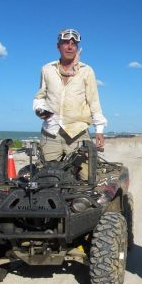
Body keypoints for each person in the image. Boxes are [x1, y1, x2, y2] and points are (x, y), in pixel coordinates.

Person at [33, 28, 107, 179]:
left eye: (73, 43)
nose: (70, 46)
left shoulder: (87, 71)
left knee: (87, 178)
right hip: (50, 133)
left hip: (77, 133)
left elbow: (94, 101)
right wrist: (39, 108)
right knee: (47, 178)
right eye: (65, 43)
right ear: (58, 46)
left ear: (77, 48)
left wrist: (99, 129)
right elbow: (40, 96)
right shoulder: (47, 69)